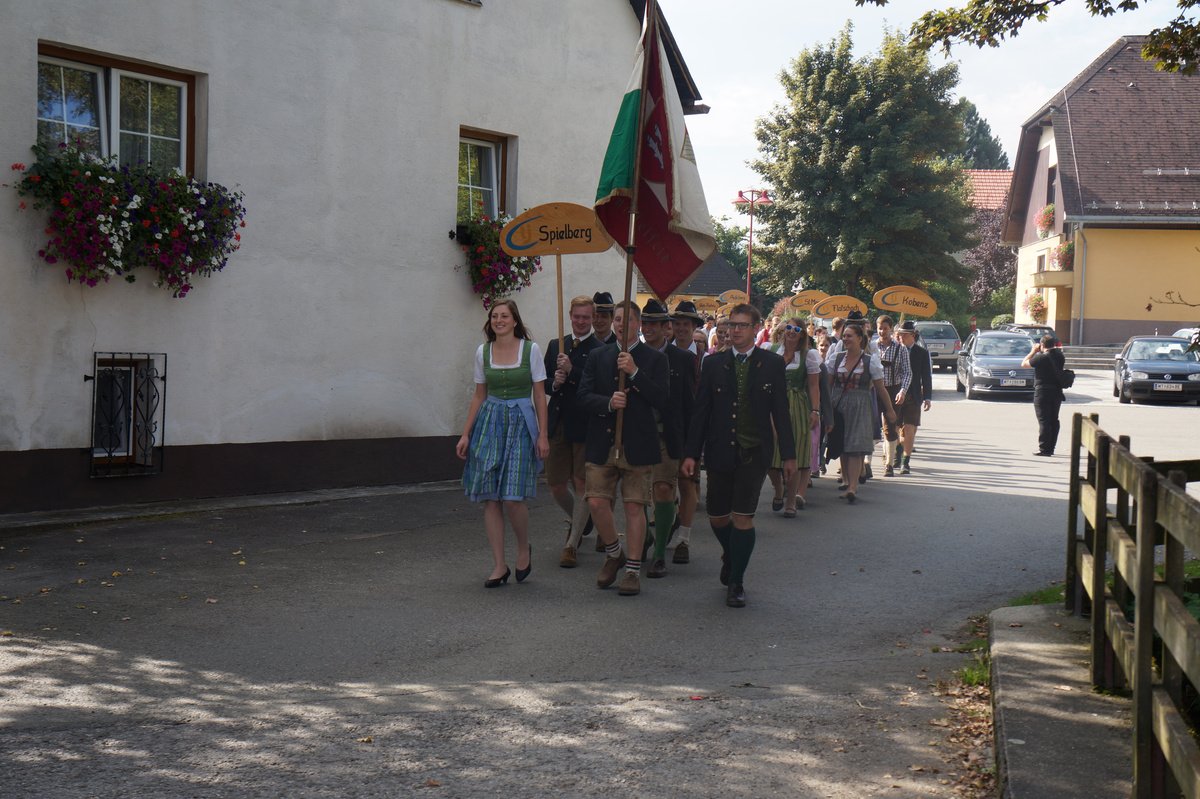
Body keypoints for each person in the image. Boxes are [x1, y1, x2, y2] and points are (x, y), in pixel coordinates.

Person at [683, 303, 795, 609]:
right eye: (732, 325)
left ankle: (736, 581)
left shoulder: (772, 363)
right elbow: (701, 412)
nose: (735, 330)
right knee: (718, 517)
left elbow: (781, 412)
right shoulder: (713, 363)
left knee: (743, 517)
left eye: (742, 325)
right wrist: (691, 453)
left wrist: (788, 456)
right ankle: (732, 554)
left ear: (756, 329)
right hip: (719, 448)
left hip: (755, 451)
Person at [576, 301, 669, 596]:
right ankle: (614, 553)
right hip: (602, 442)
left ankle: (632, 570)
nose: (620, 324)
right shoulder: (598, 355)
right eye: (617, 319)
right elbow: (583, 396)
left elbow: (662, 399)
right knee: (596, 501)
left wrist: (635, 372)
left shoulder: (654, 359)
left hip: (637, 443)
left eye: (627, 320)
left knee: (633, 506)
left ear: (638, 324)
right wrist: (607, 403)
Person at [456, 300, 550, 587]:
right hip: (489, 422)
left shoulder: (531, 350)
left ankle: (523, 548)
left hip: (521, 422)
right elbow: (479, 395)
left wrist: (543, 435)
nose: (499, 320)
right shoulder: (482, 352)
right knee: (490, 496)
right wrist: (465, 433)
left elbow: (539, 395)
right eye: (495, 316)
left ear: (514, 320)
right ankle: (499, 564)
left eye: (504, 316)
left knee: (512, 497)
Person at [640, 299, 696, 578]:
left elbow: (690, 405)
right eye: (644, 323)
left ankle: (659, 553)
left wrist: (691, 447)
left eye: (654, 323)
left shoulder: (682, 359)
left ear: (666, 327)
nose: (648, 328)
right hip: (637, 434)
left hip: (667, 435)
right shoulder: (631, 355)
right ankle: (645, 537)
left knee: (663, 489)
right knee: (638, 494)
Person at [544, 296, 601, 568]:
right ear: (570, 315)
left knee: (581, 483)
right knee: (555, 484)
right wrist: (554, 383)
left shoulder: (600, 349)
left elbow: (598, 387)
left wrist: (572, 371)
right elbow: (543, 383)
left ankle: (571, 543)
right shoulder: (557, 344)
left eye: (585, 317)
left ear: (593, 318)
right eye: (576, 316)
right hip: (558, 422)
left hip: (584, 424)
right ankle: (582, 518)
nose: (580, 321)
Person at [825, 322, 896, 503]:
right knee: (842, 444)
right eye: (844, 336)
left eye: (849, 336)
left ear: (859, 338)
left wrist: (889, 410)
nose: (845, 339)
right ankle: (846, 480)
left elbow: (880, 388)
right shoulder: (836, 358)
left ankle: (852, 487)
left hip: (860, 405)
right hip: (839, 404)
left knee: (855, 447)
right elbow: (827, 385)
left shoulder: (870, 360)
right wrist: (823, 408)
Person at [767, 317, 821, 517]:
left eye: (796, 329)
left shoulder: (808, 355)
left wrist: (815, 410)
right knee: (770, 454)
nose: (791, 331)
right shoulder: (771, 350)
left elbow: (814, 386)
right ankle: (778, 488)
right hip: (772, 403)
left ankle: (791, 501)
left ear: (802, 334)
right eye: (789, 327)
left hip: (797, 405)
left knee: (795, 454)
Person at [669, 300, 707, 564]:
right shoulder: (663, 352)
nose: (681, 328)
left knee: (686, 483)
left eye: (686, 324)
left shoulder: (705, 358)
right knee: (661, 484)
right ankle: (670, 520)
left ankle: (684, 538)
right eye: (677, 323)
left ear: (694, 327)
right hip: (665, 427)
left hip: (691, 428)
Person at [873, 315, 912, 477]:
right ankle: (866, 464)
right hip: (875, 390)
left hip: (893, 390)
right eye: (880, 328)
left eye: (885, 328)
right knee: (871, 426)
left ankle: (889, 464)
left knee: (890, 427)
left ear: (890, 329)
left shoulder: (900, 348)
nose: (882, 331)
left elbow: (907, 372)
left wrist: (903, 391)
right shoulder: (872, 347)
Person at [895, 321, 932, 474]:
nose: (901, 337)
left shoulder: (921, 353)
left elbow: (926, 376)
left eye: (904, 335)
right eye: (900, 334)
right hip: (896, 395)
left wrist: (928, 397)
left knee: (910, 428)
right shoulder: (895, 350)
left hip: (913, 396)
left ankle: (905, 461)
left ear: (913, 335)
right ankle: (896, 453)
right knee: (896, 429)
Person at [1022, 334, 1066, 456]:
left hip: (1042, 392)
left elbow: (1024, 364)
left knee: (1044, 420)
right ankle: (1051, 447)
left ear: (1042, 344)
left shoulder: (1040, 357)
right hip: (1057, 391)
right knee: (1054, 420)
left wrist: (1033, 351)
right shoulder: (1060, 356)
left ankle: (1044, 449)